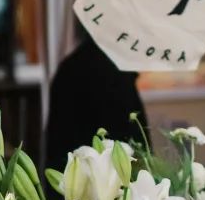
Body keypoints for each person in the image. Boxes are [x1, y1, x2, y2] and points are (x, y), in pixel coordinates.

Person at [45, 27, 149, 177]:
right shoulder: (114, 73)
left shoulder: (71, 66)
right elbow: (135, 143)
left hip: (73, 180)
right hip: (105, 181)